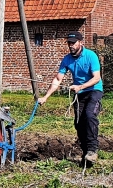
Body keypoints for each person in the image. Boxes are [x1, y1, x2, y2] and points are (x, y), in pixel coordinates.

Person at [37, 31, 103, 166]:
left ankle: (92, 149)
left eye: (73, 43)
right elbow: (57, 79)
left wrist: (81, 86)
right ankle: (86, 154)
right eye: (69, 43)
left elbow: (97, 78)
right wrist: (45, 97)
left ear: (81, 42)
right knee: (79, 123)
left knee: (89, 115)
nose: (71, 45)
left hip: (94, 90)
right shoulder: (67, 59)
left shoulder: (91, 56)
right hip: (80, 94)